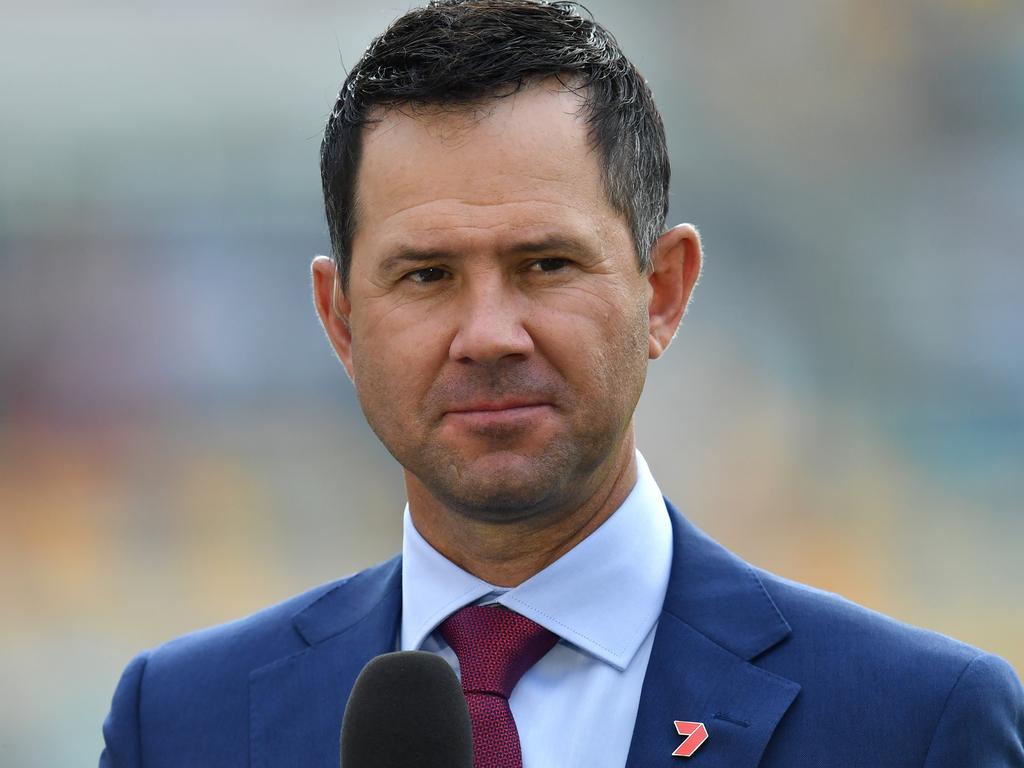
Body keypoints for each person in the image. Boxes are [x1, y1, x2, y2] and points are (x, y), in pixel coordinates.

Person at [100, 2, 1024, 766]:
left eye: (545, 264)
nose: (489, 335)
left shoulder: (916, 723)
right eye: (425, 275)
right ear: (340, 319)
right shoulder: (181, 723)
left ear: (663, 292)